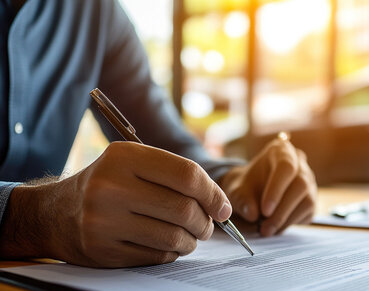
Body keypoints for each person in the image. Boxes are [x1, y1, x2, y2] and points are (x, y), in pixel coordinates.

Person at [0, 0, 317, 267]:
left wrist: (234, 183)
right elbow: (43, 216)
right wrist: (39, 216)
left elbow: (168, 146)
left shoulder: (96, 11)